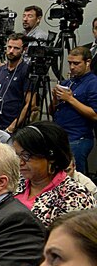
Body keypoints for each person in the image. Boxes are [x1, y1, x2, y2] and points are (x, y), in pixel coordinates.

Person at [13, 122, 95, 228]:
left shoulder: (75, 196)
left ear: (51, 157)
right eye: (17, 155)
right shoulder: (15, 182)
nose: (20, 162)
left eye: (26, 155)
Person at [52, 46, 97, 174]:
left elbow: (95, 115)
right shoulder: (68, 82)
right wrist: (55, 99)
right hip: (60, 137)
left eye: (76, 63)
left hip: (78, 138)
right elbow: (53, 112)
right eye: (70, 63)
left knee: (73, 179)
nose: (72, 67)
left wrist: (70, 99)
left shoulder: (93, 83)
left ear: (87, 62)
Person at [0, 33, 31, 132]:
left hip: (13, 124)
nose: (11, 51)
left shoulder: (26, 71)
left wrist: (13, 126)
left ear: (24, 50)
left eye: (16, 48)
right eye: (9, 47)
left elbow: (30, 103)